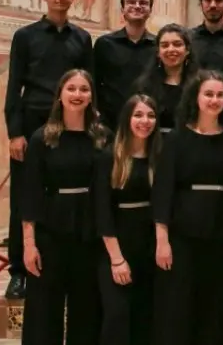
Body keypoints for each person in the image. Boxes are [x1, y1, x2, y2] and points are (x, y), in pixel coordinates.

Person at [5, 0, 94, 299]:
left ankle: (68, 263)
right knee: (24, 198)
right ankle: (18, 271)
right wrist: (15, 133)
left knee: (71, 193)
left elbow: (89, 85)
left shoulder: (82, 39)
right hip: (32, 123)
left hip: (72, 124)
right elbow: (15, 86)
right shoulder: (25, 36)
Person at [152, 70, 223, 345]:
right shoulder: (177, 139)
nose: (214, 100)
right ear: (195, 97)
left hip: (221, 232)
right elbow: (163, 190)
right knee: (179, 304)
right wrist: (162, 239)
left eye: (220, 95)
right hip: (182, 233)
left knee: (215, 305)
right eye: (208, 94)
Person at [19, 69, 105, 345]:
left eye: (84, 89)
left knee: (87, 308)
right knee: (44, 309)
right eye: (71, 89)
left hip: (90, 231)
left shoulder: (102, 138)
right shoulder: (42, 138)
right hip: (51, 230)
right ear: (60, 95)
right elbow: (30, 193)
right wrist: (29, 244)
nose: (78, 95)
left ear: (92, 96)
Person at [95, 94, 162, 345]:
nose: (145, 121)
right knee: (117, 316)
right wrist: (117, 259)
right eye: (138, 115)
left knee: (145, 317)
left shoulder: (160, 157)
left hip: (150, 248)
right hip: (118, 248)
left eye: (151, 115)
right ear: (127, 119)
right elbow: (102, 211)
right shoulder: (110, 157)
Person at [94, 0, 156, 132]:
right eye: (131, 2)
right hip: (111, 123)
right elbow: (94, 82)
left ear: (150, 10)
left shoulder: (158, 46)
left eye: (143, 3)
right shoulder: (105, 44)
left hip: (147, 123)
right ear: (122, 10)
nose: (137, 6)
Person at [132, 24, 198, 134]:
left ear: (187, 50)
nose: (171, 49)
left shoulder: (199, 85)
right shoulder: (143, 85)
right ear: (158, 52)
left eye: (177, 44)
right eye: (165, 45)